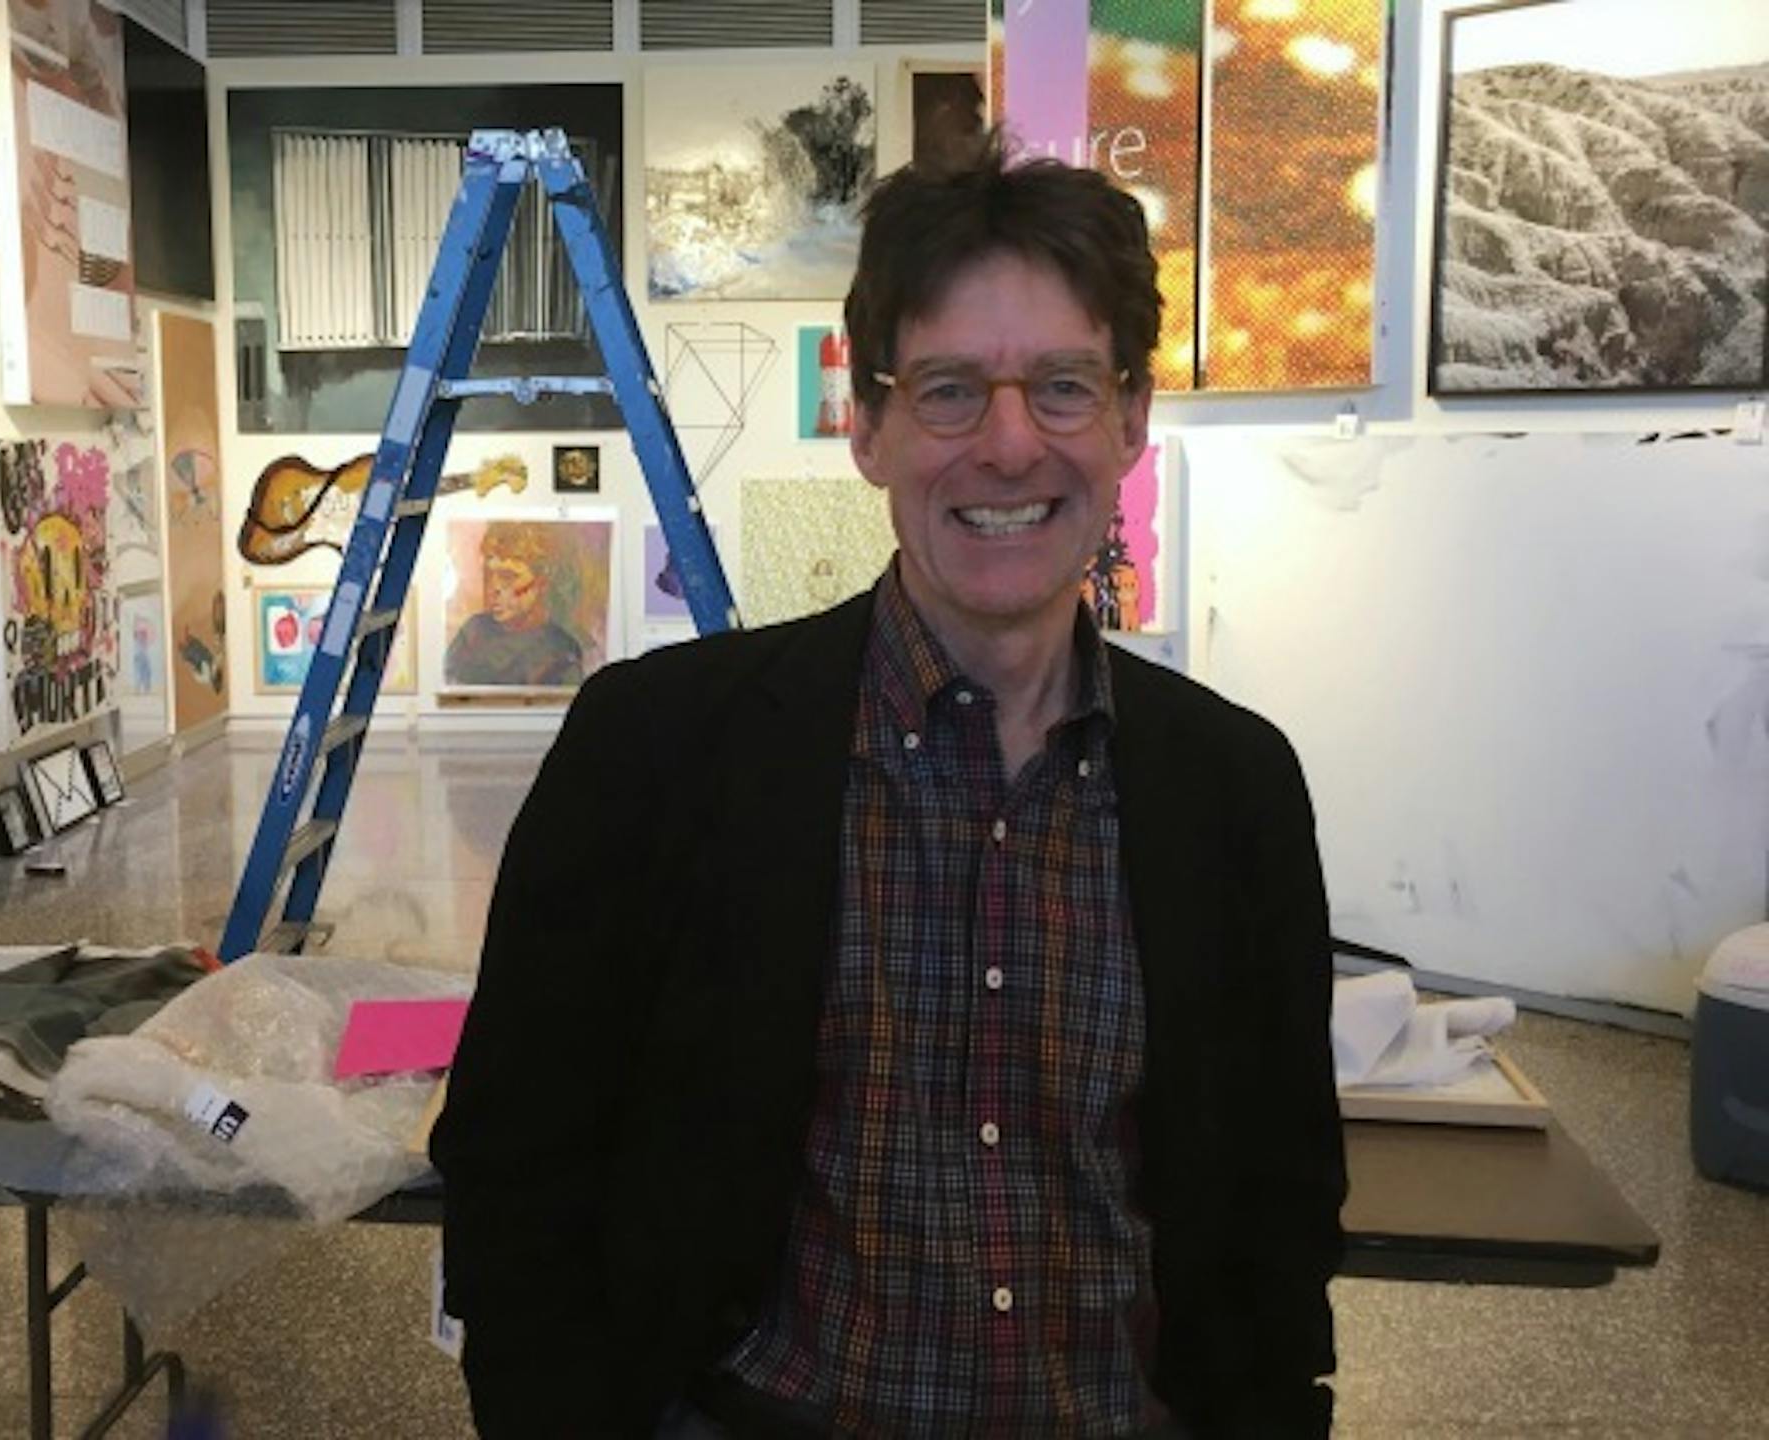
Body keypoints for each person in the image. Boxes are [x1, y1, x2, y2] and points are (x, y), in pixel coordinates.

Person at [431, 133, 1345, 1438]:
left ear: (1133, 420)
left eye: (1065, 387)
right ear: (867, 425)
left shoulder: (1235, 791)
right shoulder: (656, 753)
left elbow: (1279, 1207)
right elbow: (517, 1159)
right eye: (951, 390)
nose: (1011, 446)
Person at [444, 521, 586, 687]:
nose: (493, 588)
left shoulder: (561, 652)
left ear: (541, 583)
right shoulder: (473, 632)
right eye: (489, 575)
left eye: (508, 577)